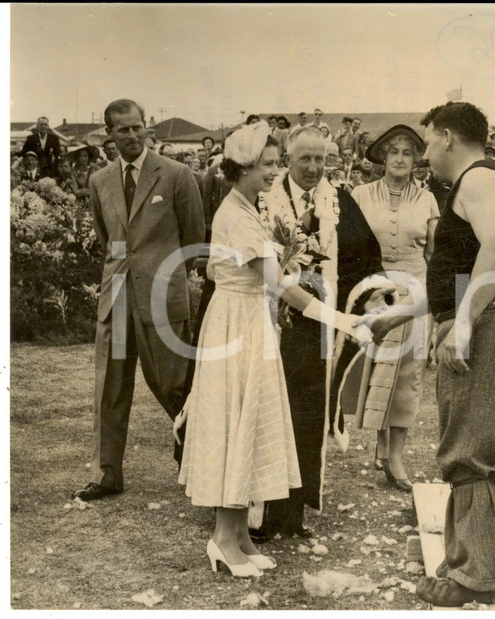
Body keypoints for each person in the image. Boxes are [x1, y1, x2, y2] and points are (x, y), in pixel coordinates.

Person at [176, 122, 369, 577]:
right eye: (267, 164)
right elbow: (281, 285)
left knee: (252, 420)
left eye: (275, 162)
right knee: (234, 422)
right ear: (241, 167)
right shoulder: (237, 214)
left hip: (249, 322)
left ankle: (240, 537)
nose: (274, 171)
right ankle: (223, 540)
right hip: (235, 326)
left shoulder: (250, 205)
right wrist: (341, 319)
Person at [415, 102, 495, 606]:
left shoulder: (480, 180)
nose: (425, 153)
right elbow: (466, 269)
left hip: (491, 326)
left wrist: (461, 324)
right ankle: (486, 562)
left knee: (468, 450)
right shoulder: (483, 181)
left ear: (446, 137)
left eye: (426, 142)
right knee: (494, 449)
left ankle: (471, 576)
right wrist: (404, 315)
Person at [255, 125, 386, 540]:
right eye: (304, 159)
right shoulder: (263, 200)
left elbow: (365, 257)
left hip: (319, 330)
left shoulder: (338, 200)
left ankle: (293, 514)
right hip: (270, 326)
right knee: (270, 413)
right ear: (288, 159)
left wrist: (372, 299)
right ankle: (261, 513)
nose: (313, 168)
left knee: (307, 415)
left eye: (320, 159)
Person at [72, 98, 204, 502]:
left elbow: (194, 237)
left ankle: (198, 462)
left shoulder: (178, 175)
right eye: (122, 130)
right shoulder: (100, 180)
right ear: (108, 134)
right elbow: (105, 237)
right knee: (110, 386)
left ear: (146, 128)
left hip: (162, 296)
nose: (131, 136)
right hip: (117, 297)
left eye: (137, 127)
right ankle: (108, 473)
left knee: (173, 384)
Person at [351, 125, 439, 492]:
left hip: (415, 291)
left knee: (409, 373)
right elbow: (351, 245)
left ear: (416, 159)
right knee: (372, 368)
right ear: (382, 158)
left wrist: (431, 302)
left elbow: (434, 254)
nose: (400, 159)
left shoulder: (427, 199)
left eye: (407, 153)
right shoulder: (359, 195)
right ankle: (379, 443)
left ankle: (396, 455)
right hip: (372, 289)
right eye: (394, 152)